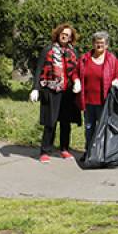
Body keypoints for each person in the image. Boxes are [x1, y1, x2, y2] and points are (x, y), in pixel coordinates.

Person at [30, 23, 82, 163]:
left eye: (68, 35)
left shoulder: (73, 51)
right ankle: (45, 151)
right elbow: (39, 69)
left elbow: (77, 70)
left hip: (68, 92)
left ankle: (64, 149)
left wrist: (78, 82)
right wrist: (35, 88)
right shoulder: (48, 49)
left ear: (71, 37)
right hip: (51, 90)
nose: (65, 36)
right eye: (63, 34)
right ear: (58, 34)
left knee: (66, 122)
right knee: (50, 122)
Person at [76, 31, 118, 159]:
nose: (99, 45)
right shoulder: (84, 58)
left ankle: (104, 154)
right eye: (97, 42)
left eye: (102, 43)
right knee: (89, 128)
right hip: (88, 101)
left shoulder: (112, 60)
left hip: (104, 102)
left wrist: (117, 80)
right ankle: (89, 152)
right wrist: (76, 81)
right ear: (93, 43)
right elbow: (75, 72)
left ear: (106, 45)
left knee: (104, 129)